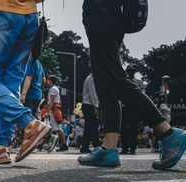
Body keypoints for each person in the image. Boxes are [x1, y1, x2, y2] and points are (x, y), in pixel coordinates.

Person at [80, 0, 186, 169]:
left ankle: (167, 133)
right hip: (105, 15)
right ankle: (109, 146)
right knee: (104, 84)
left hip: (103, 14)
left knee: (115, 81)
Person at [0, 0, 51, 164]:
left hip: (0, 10)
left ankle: (29, 123)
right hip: (30, 17)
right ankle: (1, 147)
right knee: (11, 84)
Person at [120, 65, 142, 155]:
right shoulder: (123, 81)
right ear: (126, 71)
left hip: (135, 107)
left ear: (135, 72)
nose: (130, 72)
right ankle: (125, 148)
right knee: (124, 129)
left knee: (134, 129)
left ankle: (133, 148)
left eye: (132, 71)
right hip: (125, 107)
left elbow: (142, 96)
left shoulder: (138, 83)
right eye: (129, 71)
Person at [46, 75, 68, 152]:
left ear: (51, 81)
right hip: (55, 109)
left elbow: (51, 101)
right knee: (57, 128)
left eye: (47, 80)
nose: (46, 82)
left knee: (58, 129)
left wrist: (48, 112)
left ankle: (64, 145)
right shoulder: (54, 89)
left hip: (54, 109)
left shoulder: (53, 89)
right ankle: (63, 144)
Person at [80, 73, 100, 153]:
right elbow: (93, 94)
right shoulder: (91, 79)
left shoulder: (90, 78)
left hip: (87, 105)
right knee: (94, 126)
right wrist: (96, 106)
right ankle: (97, 146)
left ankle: (84, 147)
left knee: (88, 128)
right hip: (89, 105)